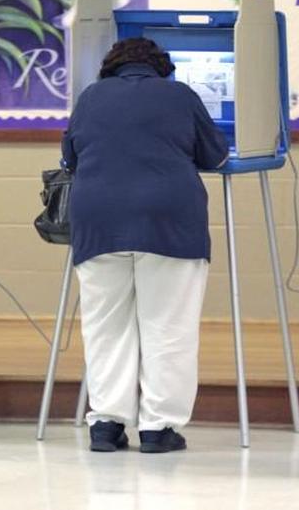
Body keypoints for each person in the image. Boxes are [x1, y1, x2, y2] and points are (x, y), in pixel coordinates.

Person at [62, 37, 228, 453]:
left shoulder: (90, 97)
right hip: (169, 220)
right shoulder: (181, 95)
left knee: (105, 327)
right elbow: (216, 157)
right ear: (162, 68)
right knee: (168, 326)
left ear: (110, 67)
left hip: (98, 221)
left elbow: (71, 158)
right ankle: (158, 429)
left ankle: (106, 424)